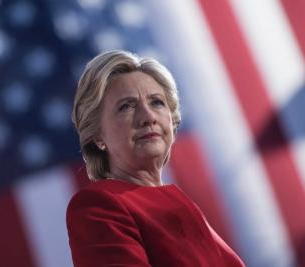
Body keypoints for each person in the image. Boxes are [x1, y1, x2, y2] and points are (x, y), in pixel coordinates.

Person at [66, 50, 245, 266]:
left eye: (157, 102)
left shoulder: (183, 204)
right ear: (97, 136)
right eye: (126, 106)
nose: (148, 117)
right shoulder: (99, 204)